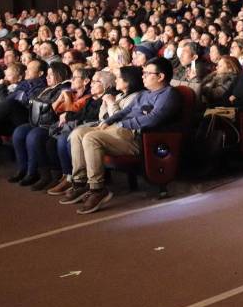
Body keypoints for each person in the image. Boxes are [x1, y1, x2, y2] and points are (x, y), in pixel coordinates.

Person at [59, 58, 181, 214]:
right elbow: (125, 111)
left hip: (138, 138)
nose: (142, 76)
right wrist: (108, 121)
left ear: (160, 76)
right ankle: (80, 183)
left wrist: (122, 124)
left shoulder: (169, 94)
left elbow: (154, 118)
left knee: (91, 138)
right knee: (78, 133)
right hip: (120, 131)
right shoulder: (144, 94)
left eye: (147, 73)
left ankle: (97, 189)